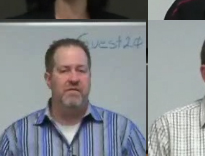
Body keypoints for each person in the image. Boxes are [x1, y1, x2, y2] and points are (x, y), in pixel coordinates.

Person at [0, 38, 145, 155]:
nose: (74, 78)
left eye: (81, 70)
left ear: (90, 77)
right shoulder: (16, 137)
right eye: (64, 70)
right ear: (48, 79)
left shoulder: (123, 132)